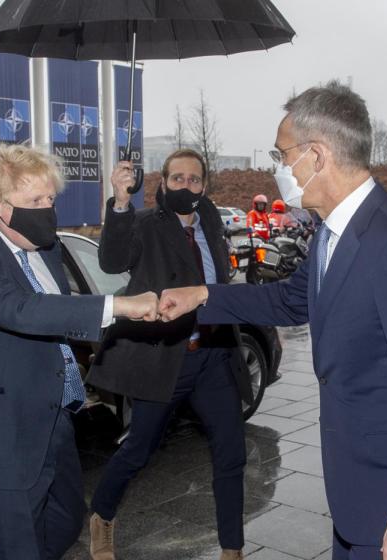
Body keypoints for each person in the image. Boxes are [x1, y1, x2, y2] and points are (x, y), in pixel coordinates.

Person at [158, 81, 387, 560]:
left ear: (317, 155)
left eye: (281, 153)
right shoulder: (334, 231)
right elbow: (291, 301)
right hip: (362, 495)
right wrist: (203, 295)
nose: (278, 167)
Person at [0, 144, 159, 560]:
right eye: (34, 201)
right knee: (20, 548)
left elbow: (59, 313)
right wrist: (119, 306)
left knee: (67, 521)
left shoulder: (44, 246)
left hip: (51, 418)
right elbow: (19, 309)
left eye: (50, 199)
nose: (47, 210)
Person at [86, 149, 251, 560]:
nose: (186, 186)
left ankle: (233, 549)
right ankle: (102, 517)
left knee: (231, 452)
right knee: (139, 448)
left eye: (194, 180)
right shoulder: (145, 223)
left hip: (214, 354)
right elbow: (111, 260)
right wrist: (121, 201)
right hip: (168, 357)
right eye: (177, 179)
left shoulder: (212, 220)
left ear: (204, 185)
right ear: (163, 182)